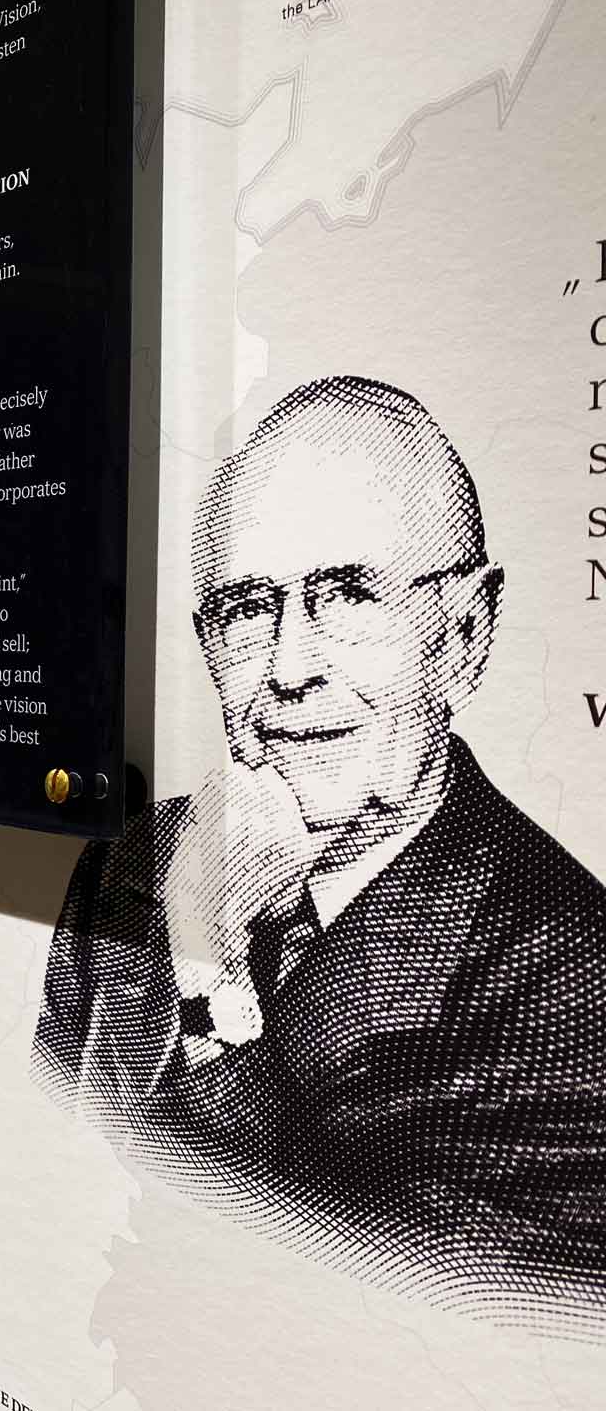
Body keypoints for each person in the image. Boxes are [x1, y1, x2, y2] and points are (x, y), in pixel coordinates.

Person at [34, 376, 606, 1291]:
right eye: (247, 610)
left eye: (348, 597)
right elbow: (52, 1176)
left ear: (465, 638)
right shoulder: (126, 864)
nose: (290, 666)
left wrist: (210, 963)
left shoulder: (573, 972)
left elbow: (387, 1309)